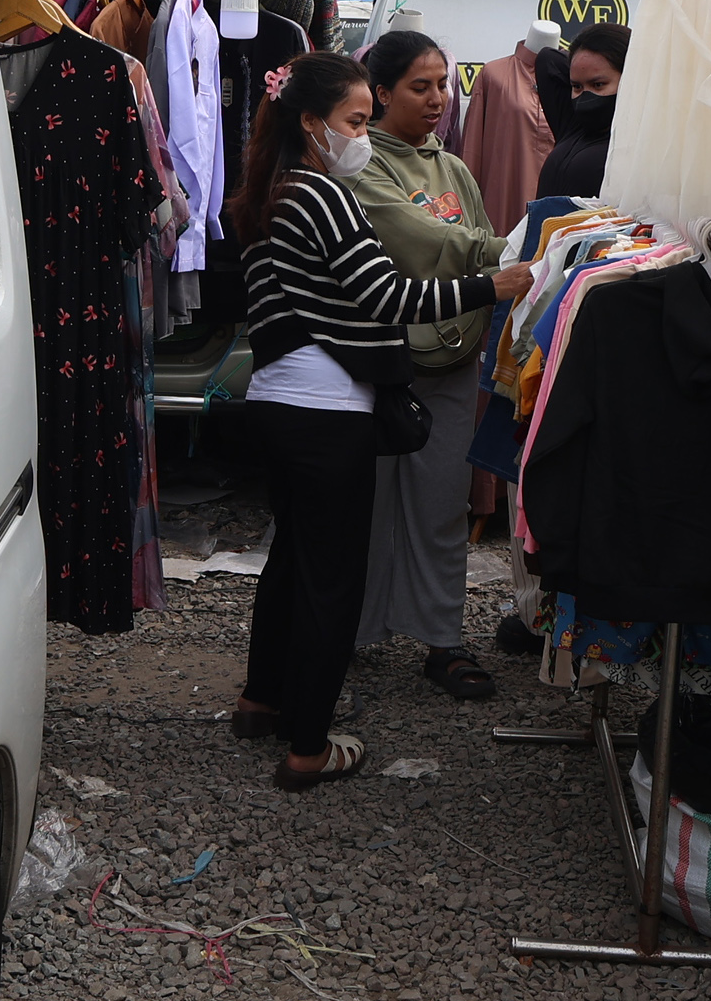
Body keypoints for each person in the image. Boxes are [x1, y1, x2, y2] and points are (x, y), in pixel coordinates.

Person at [223, 53, 533, 791]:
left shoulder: (269, 193)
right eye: (355, 122)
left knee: (292, 560)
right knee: (332, 580)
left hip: (276, 401)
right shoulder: (324, 195)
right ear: (311, 122)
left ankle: (261, 701)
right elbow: (392, 297)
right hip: (328, 412)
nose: (362, 137)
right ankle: (309, 746)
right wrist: (494, 286)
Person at [349, 31, 510, 699]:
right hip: (383, 364)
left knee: (444, 504)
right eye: (421, 86)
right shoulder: (363, 166)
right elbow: (420, 238)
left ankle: (443, 639)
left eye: (443, 84)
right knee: (368, 506)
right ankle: (353, 634)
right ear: (382, 93)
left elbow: (474, 238)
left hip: (453, 362)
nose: (439, 98)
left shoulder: (454, 168)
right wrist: (515, 253)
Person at [535, 23, 630, 199]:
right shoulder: (572, 126)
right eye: (577, 86)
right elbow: (548, 59)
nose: (586, 96)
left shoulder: (640, 144)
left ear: (630, 79)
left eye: (598, 85)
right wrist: (583, 49)